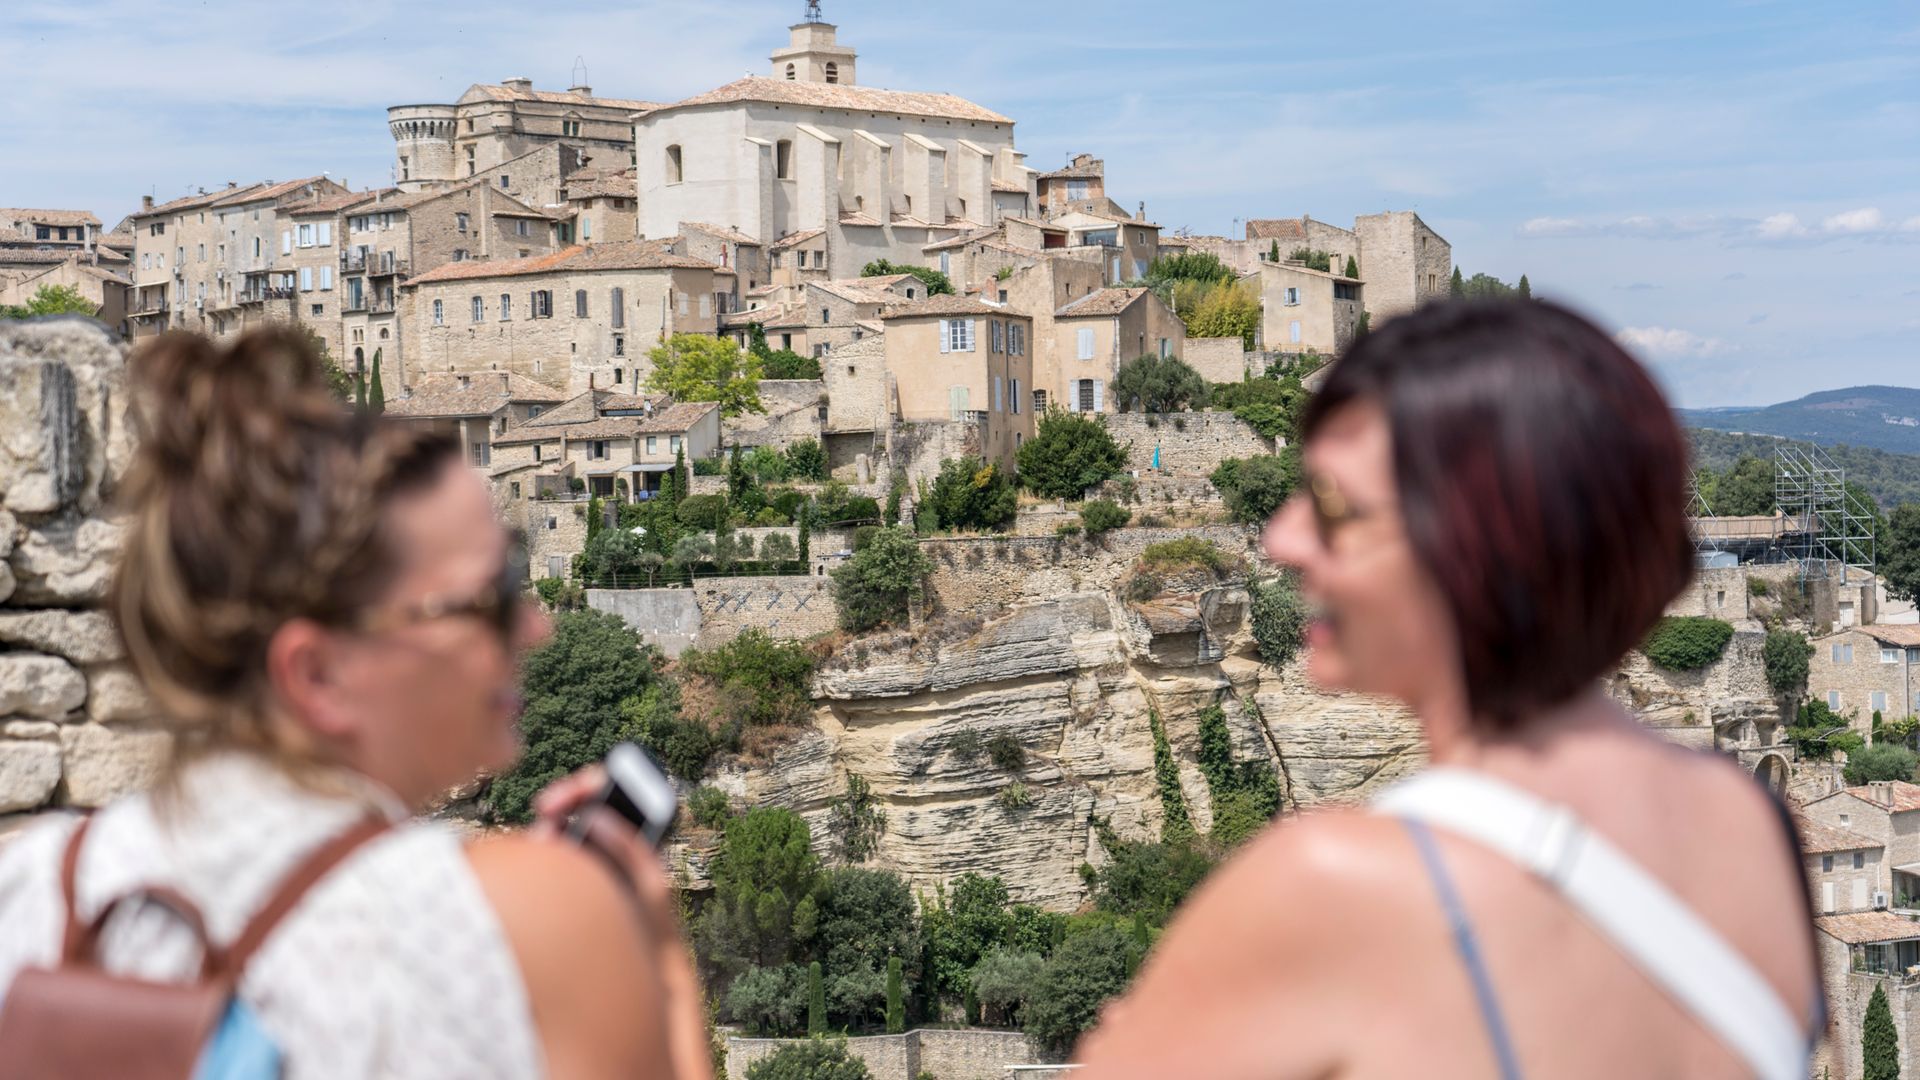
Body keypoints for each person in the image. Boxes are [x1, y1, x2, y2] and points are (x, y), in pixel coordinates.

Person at [1073, 300, 1820, 1079]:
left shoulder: (1334, 884)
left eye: (1334, 506)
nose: (1282, 537)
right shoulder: (1753, 826)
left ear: (1478, 545)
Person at [0, 328, 711, 1079]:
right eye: (492, 597)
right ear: (316, 674)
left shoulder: (34, 887)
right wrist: (653, 951)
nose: (536, 626)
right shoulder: (540, 921)